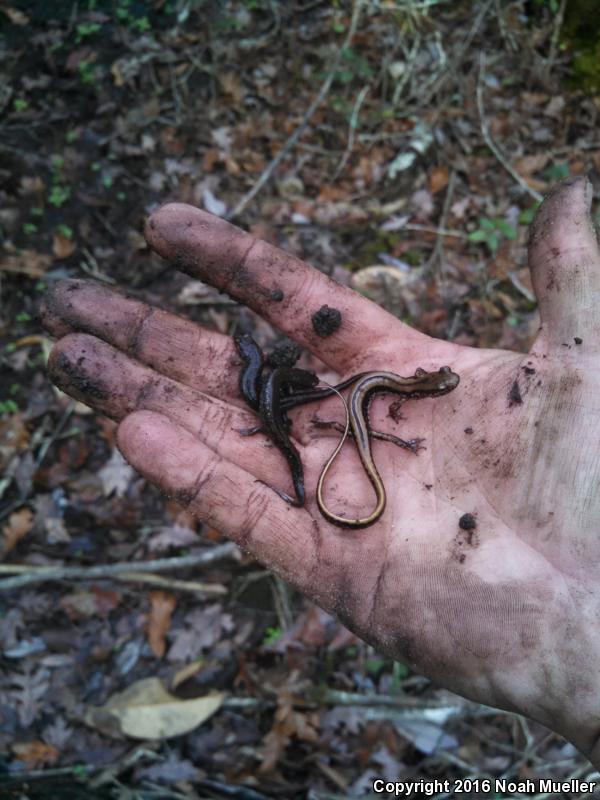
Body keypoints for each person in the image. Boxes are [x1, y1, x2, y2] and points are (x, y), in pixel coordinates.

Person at [41, 176, 600, 767]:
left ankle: (343, 450)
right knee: (357, 420)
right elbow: (393, 395)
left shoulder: (406, 390)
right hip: (361, 402)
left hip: (366, 400)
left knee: (359, 420)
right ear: (429, 387)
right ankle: (343, 448)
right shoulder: (400, 391)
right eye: (439, 387)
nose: (440, 389)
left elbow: (399, 394)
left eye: (438, 388)